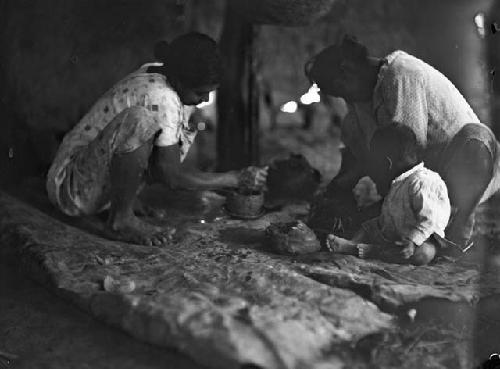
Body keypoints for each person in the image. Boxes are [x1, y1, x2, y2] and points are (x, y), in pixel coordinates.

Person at [46, 32, 267, 246]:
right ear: (179, 81)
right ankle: (120, 220)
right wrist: (234, 179)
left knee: (162, 133)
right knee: (140, 120)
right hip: (71, 187)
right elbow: (170, 175)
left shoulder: (163, 74)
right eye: (200, 93)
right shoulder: (161, 96)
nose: (206, 99)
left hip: (90, 180)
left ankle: (124, 203)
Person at [305, 34, 500, 253]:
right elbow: (361, 152)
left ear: (346, 71)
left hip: (467, 174)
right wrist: (338, 190)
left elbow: (407, 152)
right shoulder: (361, 100)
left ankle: (463, 219)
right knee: (353, 130)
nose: (344, 99)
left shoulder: (401, 74)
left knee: (477, 136)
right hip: (420, 180)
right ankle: (413, 210)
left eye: (339, 90)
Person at [326, 124, 451, 265]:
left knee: (423, 254)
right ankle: (353, 242)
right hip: (394, 234)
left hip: (423, 239)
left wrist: (412, 241)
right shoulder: (398, 181)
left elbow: (430, 221)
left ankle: (364, 250)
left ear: (387, 163)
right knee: (368, 226)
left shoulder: (424, 181)